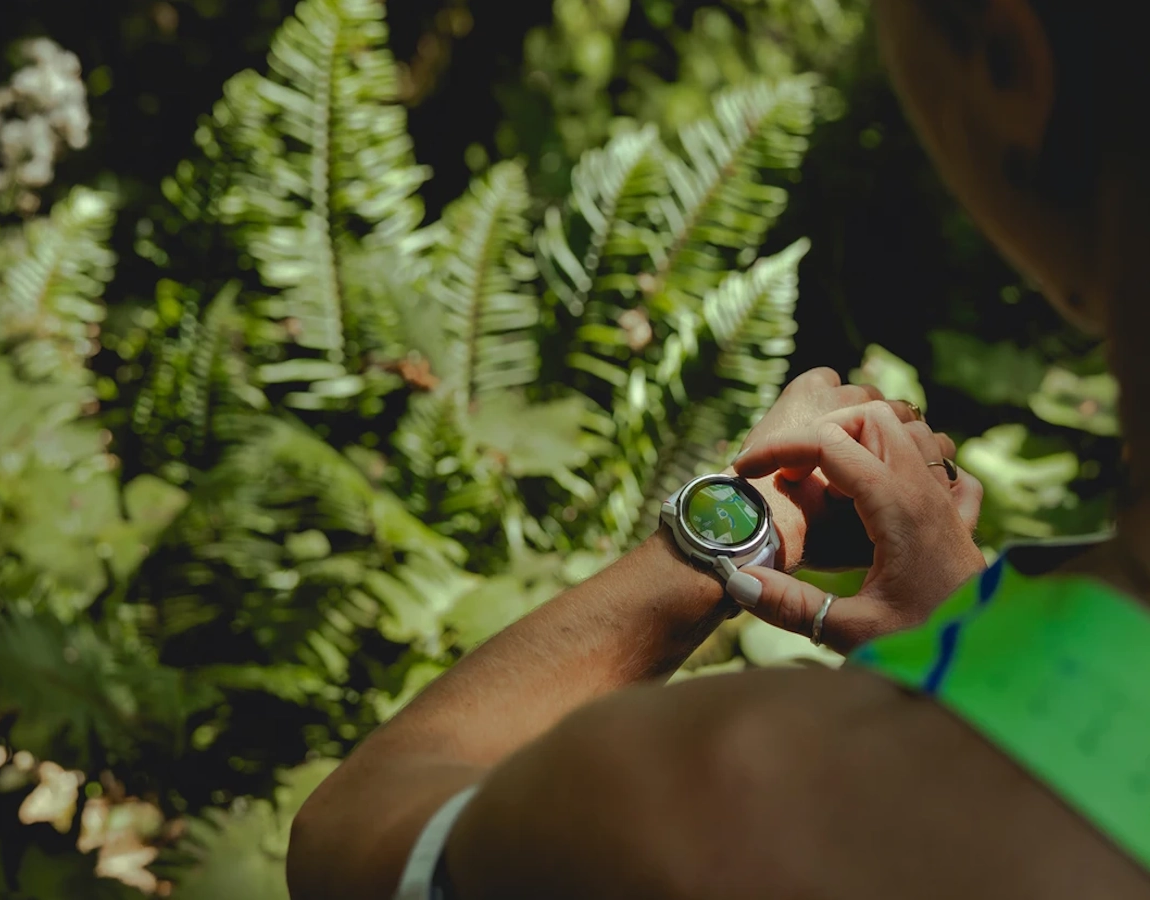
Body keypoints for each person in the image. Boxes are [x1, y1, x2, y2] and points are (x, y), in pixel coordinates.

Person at [287, 1, 1150, 897]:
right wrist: (966, 628)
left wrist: (732, 531)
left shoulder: (729, 800)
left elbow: (354, 836)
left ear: (1007, 63)